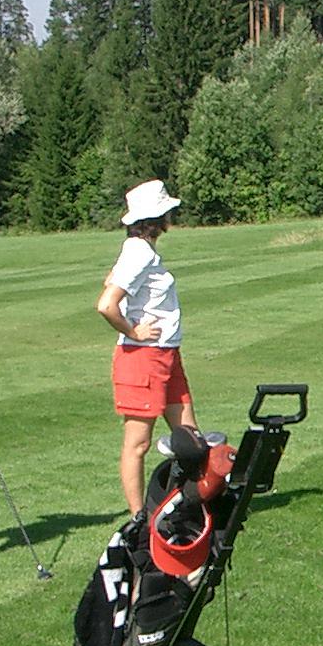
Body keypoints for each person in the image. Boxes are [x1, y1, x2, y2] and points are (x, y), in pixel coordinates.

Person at [97, 178, 200, 516]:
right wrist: (134, 331)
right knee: (138, 443)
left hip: (167, 354)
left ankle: (193, 504)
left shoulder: (140, 250)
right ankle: (139, 517)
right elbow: (106, 304)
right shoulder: (139, 252)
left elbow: (112, 280)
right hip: (143, 357)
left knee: (190, 438)